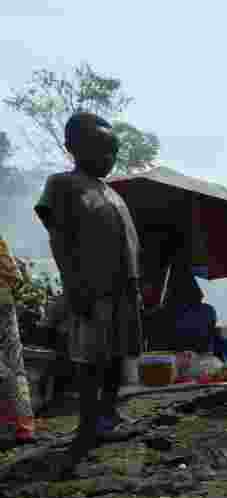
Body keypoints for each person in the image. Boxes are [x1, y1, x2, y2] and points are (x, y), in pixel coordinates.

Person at [34, 112, 144, 467]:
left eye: (113, 151)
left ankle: (107, 416)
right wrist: (73, 283)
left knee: (116, 355)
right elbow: (60, 238)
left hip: (123, 288)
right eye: (100, 149)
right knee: (91, 358)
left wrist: (136, 283)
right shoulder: (63, 185)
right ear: (73, 148)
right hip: (91, 286)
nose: (108, 158)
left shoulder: (111, 192)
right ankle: (87, 423)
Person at [0, 234, 35, 444]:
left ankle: (5, 428)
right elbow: (15, 275)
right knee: (15, 366)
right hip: (5, 304)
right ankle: (24, 427)